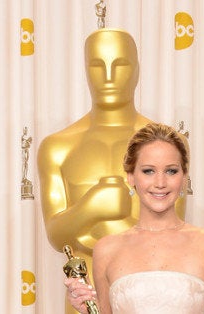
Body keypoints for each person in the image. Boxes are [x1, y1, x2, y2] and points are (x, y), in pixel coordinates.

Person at [37, 28, 187, 300]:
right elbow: (56, 236)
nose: (108, 77)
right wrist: (90, 208)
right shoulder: (58, 147)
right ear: (84, 70)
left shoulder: (167, 145)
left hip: (152, 284)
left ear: (137, 71)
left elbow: (174, 227)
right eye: (97, 66)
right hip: (85, 291)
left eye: (120, 65)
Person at [64, 123, 204, 314]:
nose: (160, 183)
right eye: (148, 171)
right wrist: (88, 308)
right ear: (131, 177)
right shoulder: (106, 249)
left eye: (171, 171)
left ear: (184, 177)